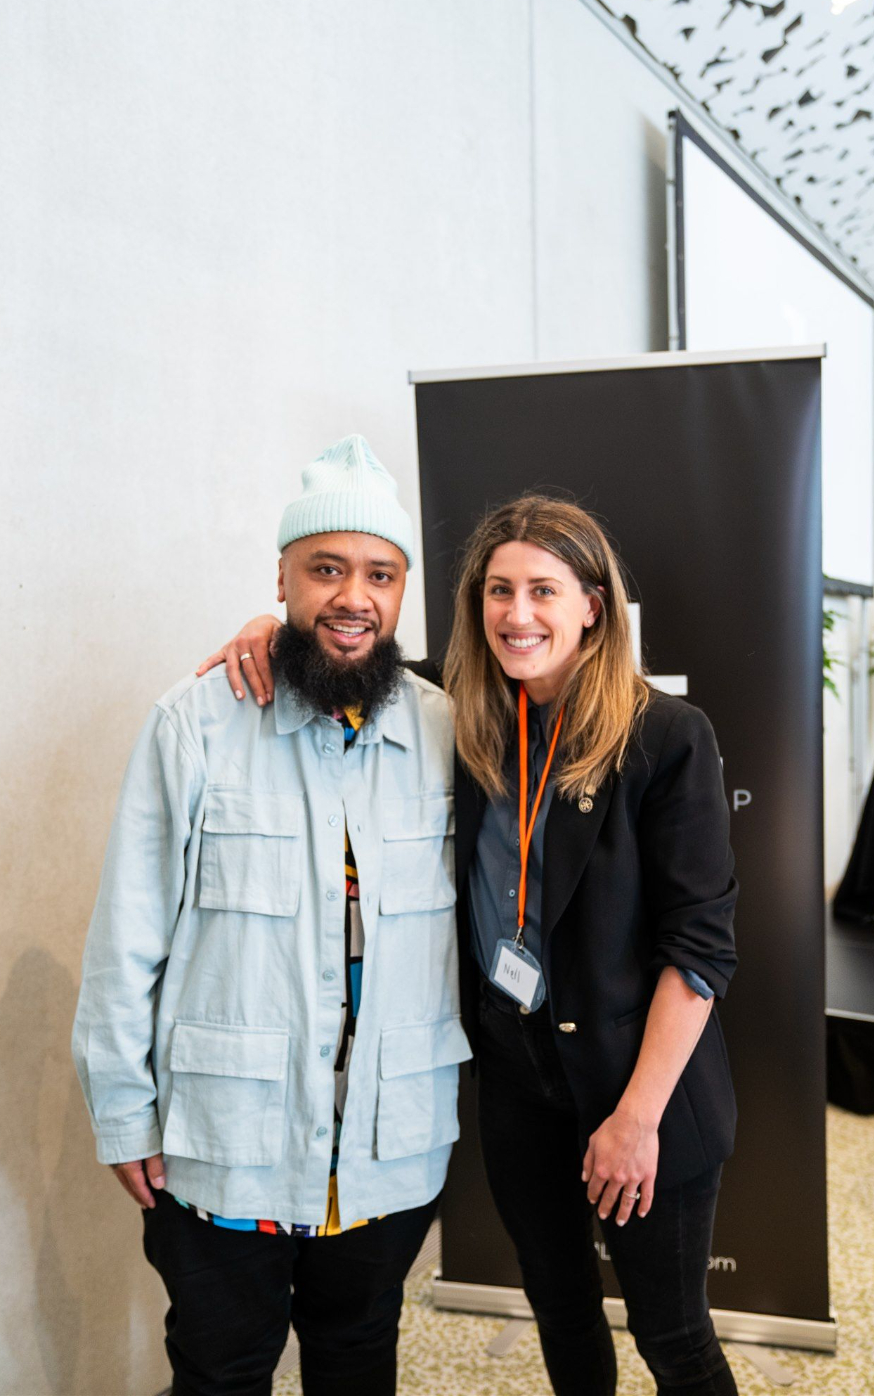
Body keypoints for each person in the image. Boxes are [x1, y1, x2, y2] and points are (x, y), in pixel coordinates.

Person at [204, 494, 739, 1396]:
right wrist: (271, 629)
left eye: (542, 590)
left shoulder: (665, 738)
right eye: (498, 590)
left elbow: (700, 951)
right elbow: (346, 651)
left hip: (639, 1086)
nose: (517, 614)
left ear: (592, 607)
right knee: (560, 1307)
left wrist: (636, 1120)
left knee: (673, 1334)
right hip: (517, 1080)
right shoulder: (459, 710)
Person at [72, 435, 471, 1396]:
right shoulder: (197, 722)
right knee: (220, 1374)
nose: (353, 597)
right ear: (282, 578)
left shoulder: (450, 730)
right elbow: (127, 938)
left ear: (403, 593)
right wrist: (122, 1114)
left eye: (379, 574)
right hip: (227, 1152)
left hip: (387, 1152)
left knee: (358, 1362)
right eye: (325, 569)